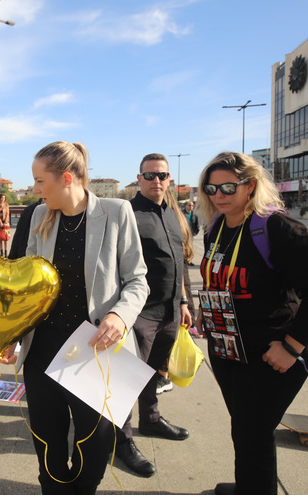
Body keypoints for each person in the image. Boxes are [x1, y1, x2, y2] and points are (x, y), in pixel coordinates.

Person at [0, 141, 148, 495]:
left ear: (66, 178)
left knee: (95, 443)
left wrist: (119, 315)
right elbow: (29, 286)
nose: (34, 190)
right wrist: (10, 333)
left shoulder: (116, 212)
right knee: (47, 439)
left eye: (40, 181)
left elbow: (138, 279)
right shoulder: (39, 215)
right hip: (43, 347)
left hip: (95, 349)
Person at [195, 151, 308, 495]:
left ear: (250, 185)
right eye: (211, 189)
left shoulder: (279, 229)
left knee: (252, 432)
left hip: (271, 352)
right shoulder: (217, 228)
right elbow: (220, 279)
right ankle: (251, 486)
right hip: (228, 348)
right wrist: (207, 311)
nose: (219, 195)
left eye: (228, 186)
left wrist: (291, 346)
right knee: (246, 430)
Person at [114, 153, 195, 478]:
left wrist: (185, 302)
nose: (156, 181)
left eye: (162, 176)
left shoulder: (173, 213)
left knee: (154, 373)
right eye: (149, 176)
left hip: (171, 309)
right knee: (126, 379)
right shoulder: (128, 213)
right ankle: (122, 440)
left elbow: (181, 261)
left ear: (169, 179)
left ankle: (150, 419)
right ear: (139, 178)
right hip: (140, 313)